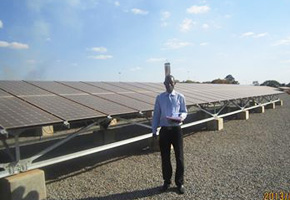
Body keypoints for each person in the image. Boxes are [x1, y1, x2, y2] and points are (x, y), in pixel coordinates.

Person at [152, 75, 188, 194]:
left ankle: (180, 182)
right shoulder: (160, 98)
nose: (168, 85)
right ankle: (167, 181)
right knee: (165, 157)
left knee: (179, 157)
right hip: (164, 131)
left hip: (176, 130)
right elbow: (156, 114)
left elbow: (184, 111)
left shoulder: (180, 97)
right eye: (166, 83)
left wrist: (179, 118)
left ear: (174, 83)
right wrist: (154, 130)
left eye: (170, 83)